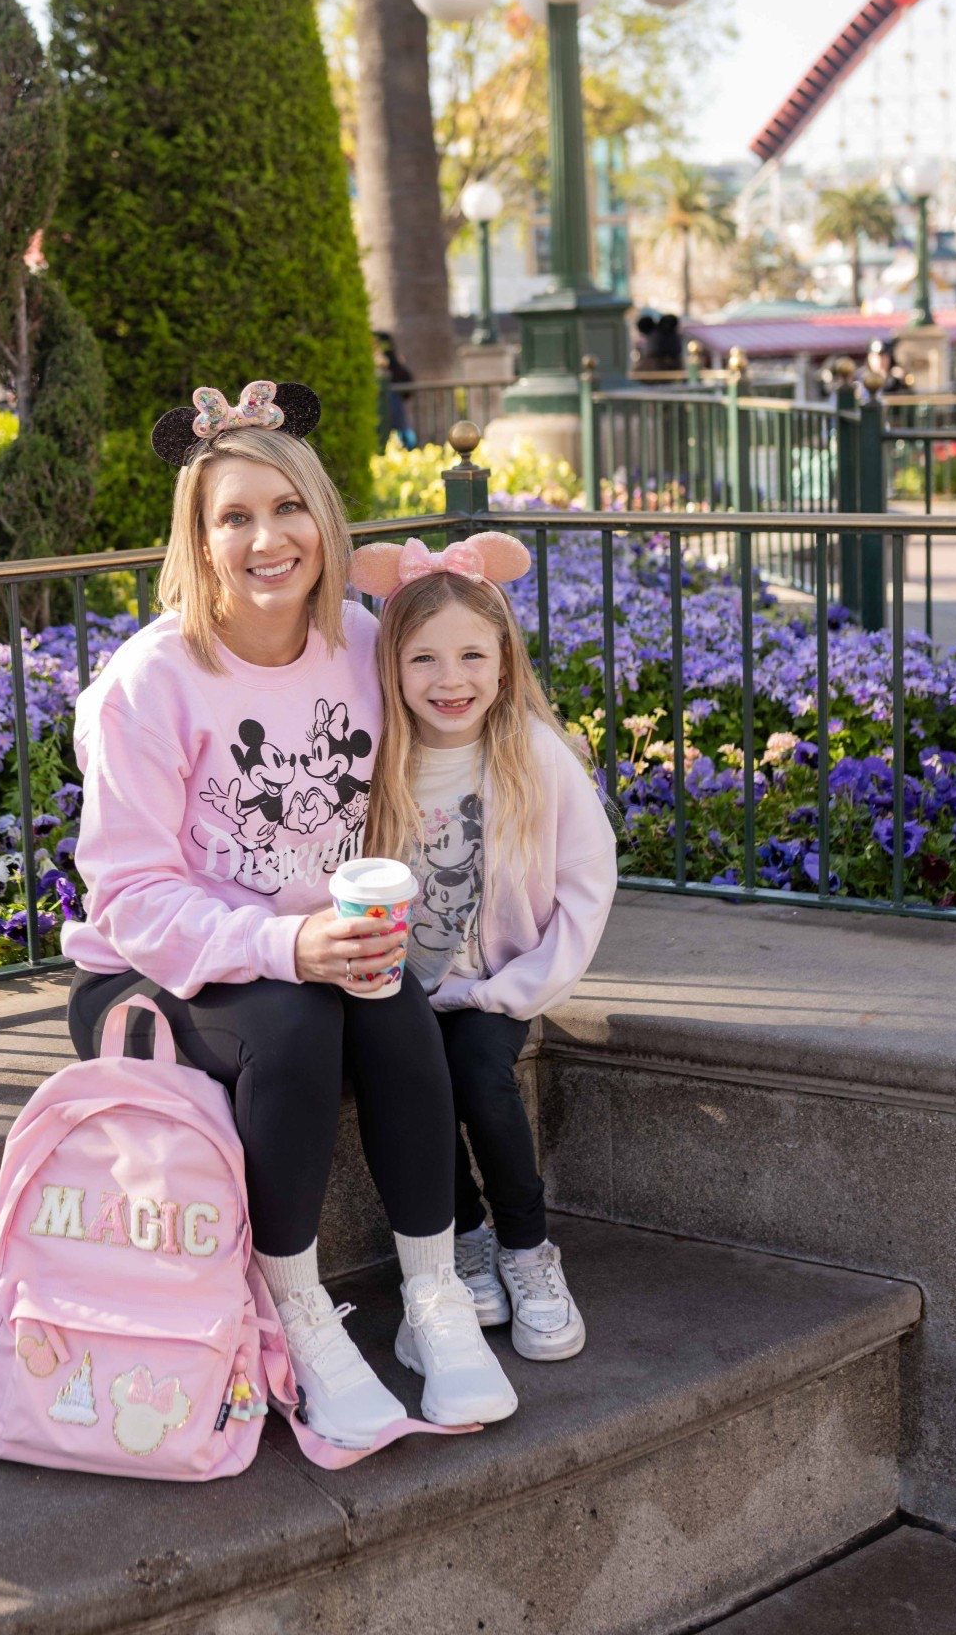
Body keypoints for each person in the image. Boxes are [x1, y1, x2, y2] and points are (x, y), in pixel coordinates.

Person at [63, 379, 516, 1447]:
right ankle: (298, 1311)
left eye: (288, 507)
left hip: (319, 947)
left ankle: (434, 1298)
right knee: (299, 1020)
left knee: (392, 1004)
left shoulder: (362, 641)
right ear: (199, 539)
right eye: (235, 516)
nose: (268, 539)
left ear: (323, 518)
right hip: (153, 969)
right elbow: (130, 895)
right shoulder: (149, 682)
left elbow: (461, 736)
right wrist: (284, 943)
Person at [352, 530, 617, 1361]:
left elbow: (587, 882)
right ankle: (462, 1237)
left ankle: (528, 1249)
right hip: (398, 989)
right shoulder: (376, 762)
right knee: (410, 1080)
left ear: (504, 663)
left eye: (472, 655)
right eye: (424, 659)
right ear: (392, 667)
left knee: (476, 1072)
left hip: (497, 982)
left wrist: (517, 989)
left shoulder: (534, 756)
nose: (451, 679)